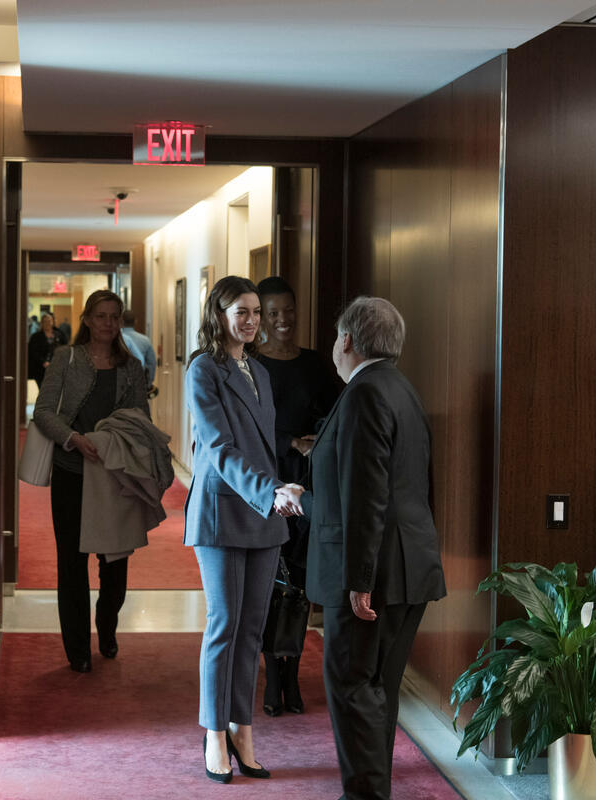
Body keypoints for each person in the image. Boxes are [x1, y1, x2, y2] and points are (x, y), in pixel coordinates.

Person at [300, 296, 445, 800]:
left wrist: (360, 581)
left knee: (353, 687)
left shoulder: (363, 393)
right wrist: (309, 498)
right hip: (409, 566)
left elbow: (367, 495)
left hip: (372, 573)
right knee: (376, 689)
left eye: (335, 338)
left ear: (346, 340)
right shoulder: (401, 388)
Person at [184, 275, 303, 784]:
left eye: (256, 312)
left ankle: (241, 727)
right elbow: (218, 448)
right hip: (222, 511)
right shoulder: (203, 368)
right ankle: (214, 732)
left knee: (252, 629)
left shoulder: (258, 370)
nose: (252, 320)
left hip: (263, 509)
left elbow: (262, 446)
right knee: (225, 624)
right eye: (242, 312)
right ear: (219, 314)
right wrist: (268, 491)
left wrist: (281, 487)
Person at [32, 290, 150, 673]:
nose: (108, 323)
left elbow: (141, 418)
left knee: (115, 564)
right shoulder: (66, 359)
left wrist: (120, 439)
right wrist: (73, 439)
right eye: (101, 316)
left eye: (114, 316)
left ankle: (107, 623)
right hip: (72, 472)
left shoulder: (131, 367)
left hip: (114, 475)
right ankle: (78, 650)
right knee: (72, 563)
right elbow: (43, 411)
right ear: (87, 319)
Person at [253, 276, 340, 717]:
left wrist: (316, 441)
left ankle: (292, 674)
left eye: (288, 310)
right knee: (271, 579)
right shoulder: (250, 364)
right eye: (273, 313)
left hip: (307, 484)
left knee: (301, 582)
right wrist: (289, 441)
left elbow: (338, 415)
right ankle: (272, 673)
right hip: (264, 483)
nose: (283, 319)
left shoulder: (314, 364)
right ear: (260, 318)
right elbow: (244, 428)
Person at [27, 311, 66, 389]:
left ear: (52, 322)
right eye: (45, 321)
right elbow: (33, 352)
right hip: (40, 369)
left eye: (49, 321)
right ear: (42, 323)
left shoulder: (59, 335)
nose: (47, 323)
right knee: (43, 388)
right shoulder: (36, 337)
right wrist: (43, 362)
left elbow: (64, 349)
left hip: (56, 368)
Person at [120, 308, 157, 385]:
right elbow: (151, 363)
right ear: (135, 321)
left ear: (121, 321)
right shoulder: (145, 340)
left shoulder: (117, 339)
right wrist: (149, 382)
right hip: (139, 380)